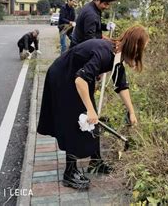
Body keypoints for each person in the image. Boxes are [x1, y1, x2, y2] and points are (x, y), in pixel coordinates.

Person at [37, 25, 149, 190]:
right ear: (134, 46)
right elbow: (79, 81)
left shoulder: (116, 54)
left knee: (91, 119)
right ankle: (70, 173)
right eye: (142, 49)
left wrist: (132, 112)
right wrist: (89, 110)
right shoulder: (104, 53)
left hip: (78, 77)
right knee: (76, 121)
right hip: (63, 76)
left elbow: (121, 85)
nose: (142, 53)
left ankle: (95, 162)